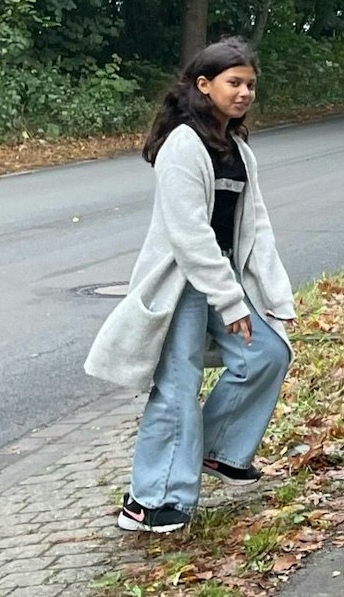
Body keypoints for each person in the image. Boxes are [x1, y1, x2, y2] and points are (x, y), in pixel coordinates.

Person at [86, 38, 296, 533]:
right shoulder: (183, 145)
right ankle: (151, 500)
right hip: (182, 282)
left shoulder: (239, 151)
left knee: (267, 354)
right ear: (204, 86)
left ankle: (219, 450)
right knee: (177, 388)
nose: (244, 93)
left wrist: (274, 296)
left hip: (220, 273)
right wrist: (230, 303)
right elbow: (189, 235)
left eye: (250, 85)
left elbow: (255, 227)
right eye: (234, 83)